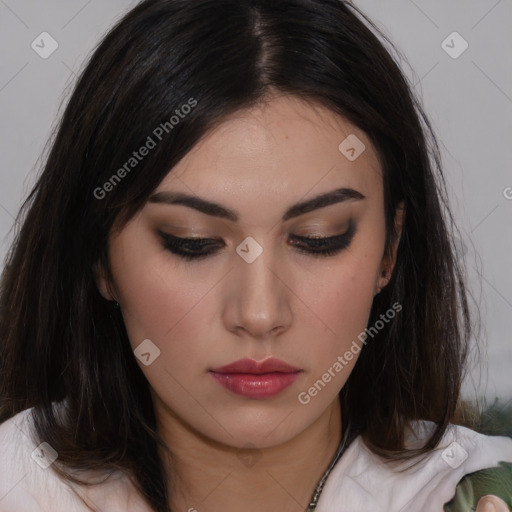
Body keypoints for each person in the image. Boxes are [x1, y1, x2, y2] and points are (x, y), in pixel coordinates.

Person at [0, 0, 511, 511]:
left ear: (390, 250)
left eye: (319, 238)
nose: (260, 314)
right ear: (99, 258)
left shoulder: (482, 493)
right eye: (191, 241)